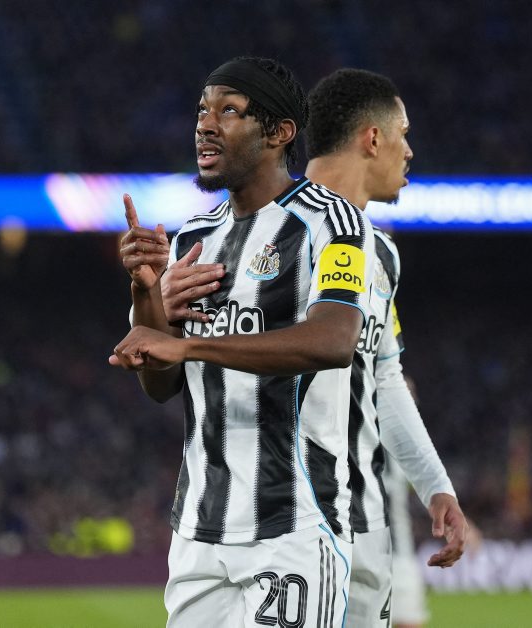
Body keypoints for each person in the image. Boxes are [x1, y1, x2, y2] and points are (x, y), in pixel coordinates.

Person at [158, 68, 468, 627]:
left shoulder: (377, 253)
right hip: (281, 517)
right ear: (372, 137)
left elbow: (382, 377)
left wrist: (434, 484)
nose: (410, 152)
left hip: (353, 516)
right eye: (403, 134)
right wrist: (156, 309)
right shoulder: (248, 230)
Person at [110, 56, 377, 628]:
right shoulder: (195, 236)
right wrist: (146, 293)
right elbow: (161, 385)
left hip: (293, 524)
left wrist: (191, 346)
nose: (205, 125)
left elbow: (334, 341)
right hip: (199, 531)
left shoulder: (333, 223)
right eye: (201, 111)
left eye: (228, 111)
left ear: (280, 133)